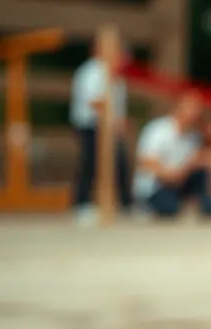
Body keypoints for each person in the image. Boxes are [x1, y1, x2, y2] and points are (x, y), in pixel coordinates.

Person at [69, 27, 132, 226]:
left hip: (109, 127)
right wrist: (109, 112)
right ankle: (81, 204)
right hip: (90, 124)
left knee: (120, 161)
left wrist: (119, 121)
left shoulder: (117, 77)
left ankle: (126, 204)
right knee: (89, 163)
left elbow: (118, 106)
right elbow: (92, 101)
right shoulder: (91, 71)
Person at [133, 91, 205, 218]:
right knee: (168, 209)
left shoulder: (193, 137)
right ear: (178, 107)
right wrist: (172, 175)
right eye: (191, 108)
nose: (194, 114)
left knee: (203, 175)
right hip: (155, 186)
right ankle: (145, 206)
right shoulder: (158, 130)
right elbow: (146, 162)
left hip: (178, 182)